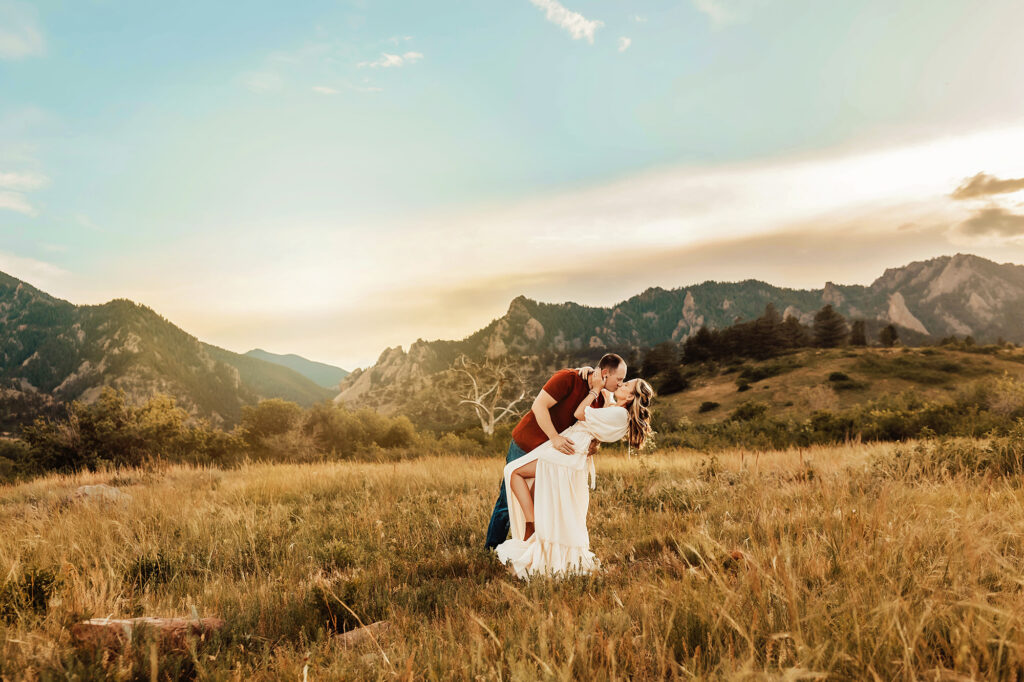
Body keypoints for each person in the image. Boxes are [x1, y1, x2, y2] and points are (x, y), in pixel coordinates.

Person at [494, 375, 654, 579]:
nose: (621, 384)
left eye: (626, 385)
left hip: (569, 451)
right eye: (622, 381)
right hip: (572, 449)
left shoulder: (618, 415)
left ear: (631, 396)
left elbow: (579, 413)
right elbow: (605, 392)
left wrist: (594, 391)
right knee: (536, 488)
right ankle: (536, 531)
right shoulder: (616, 411)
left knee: (515, 472)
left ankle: (532, 524)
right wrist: (589, 373)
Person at [484, 353, 627, 549]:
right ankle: (491, 549)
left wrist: (595, 444)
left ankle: (530, 549)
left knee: (540, 502)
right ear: (604, 374)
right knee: (507, 500)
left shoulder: (601, 398)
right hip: (527, 444)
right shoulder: (568, 378)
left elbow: (592, 427)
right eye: (619, 379)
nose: (621, 384)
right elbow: (538, 406)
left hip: (552, 456)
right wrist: (555, 437)